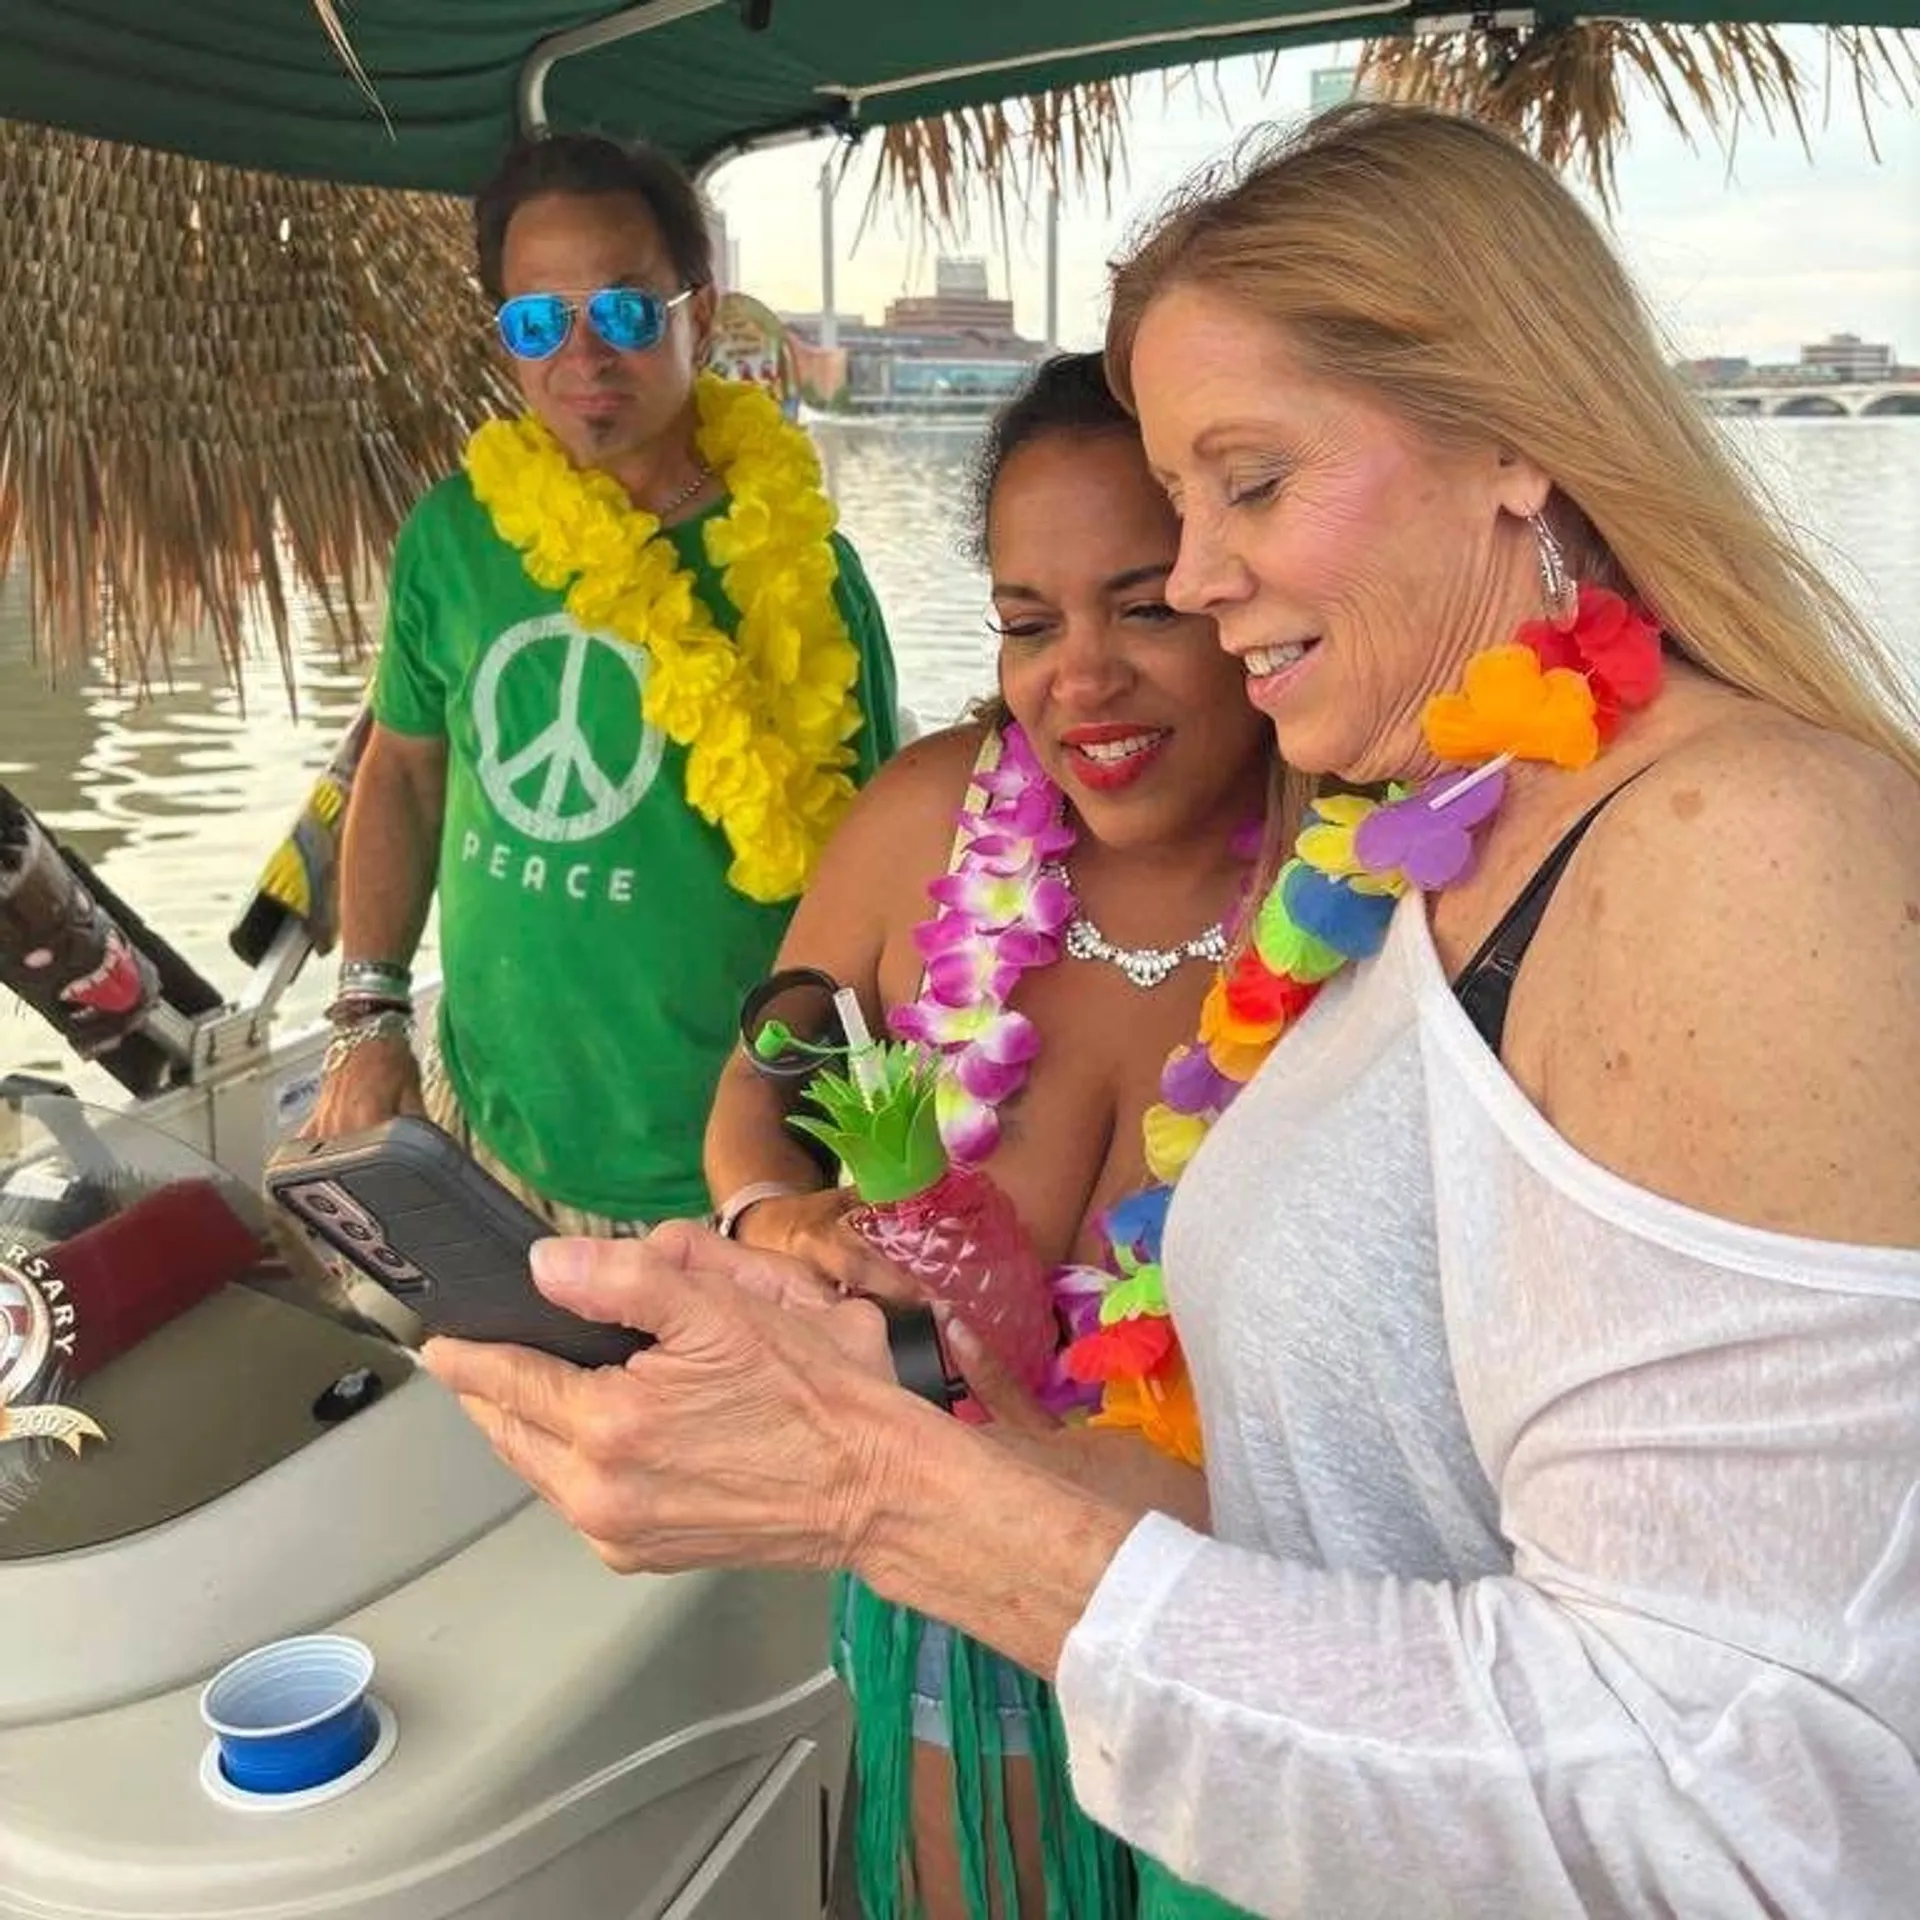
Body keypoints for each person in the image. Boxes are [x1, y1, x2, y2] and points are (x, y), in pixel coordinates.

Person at [423, 103, 1920, 1919]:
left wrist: (884, 1500)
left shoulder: (1734, 842)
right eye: (1172, 511)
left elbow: (1763, 1817)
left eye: (1249, 487)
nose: (1197, 584)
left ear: (1519, 438)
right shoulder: (1447, 834)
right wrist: (893, 1415)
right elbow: (1369, 1525)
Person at [703, 351, 1278, 1919]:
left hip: (1258, 1625)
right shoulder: (927, 817)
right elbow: (769, 1069)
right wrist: (777, 1218)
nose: (1077, 679)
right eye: (1031, 623)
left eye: (1145, 607)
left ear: (1247, 594)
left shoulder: (1362, 887)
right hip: (949, 1579)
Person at [310, 133, 898, 1230]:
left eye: (625, 311)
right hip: (497, 1130)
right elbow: (401, 774)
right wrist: (370, 1018)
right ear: (507, 340)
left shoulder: (804, 571)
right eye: (540, 321)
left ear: (700, 317)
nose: (584, 357)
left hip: (738, 1169)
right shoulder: (452, 535)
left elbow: (880, 868)